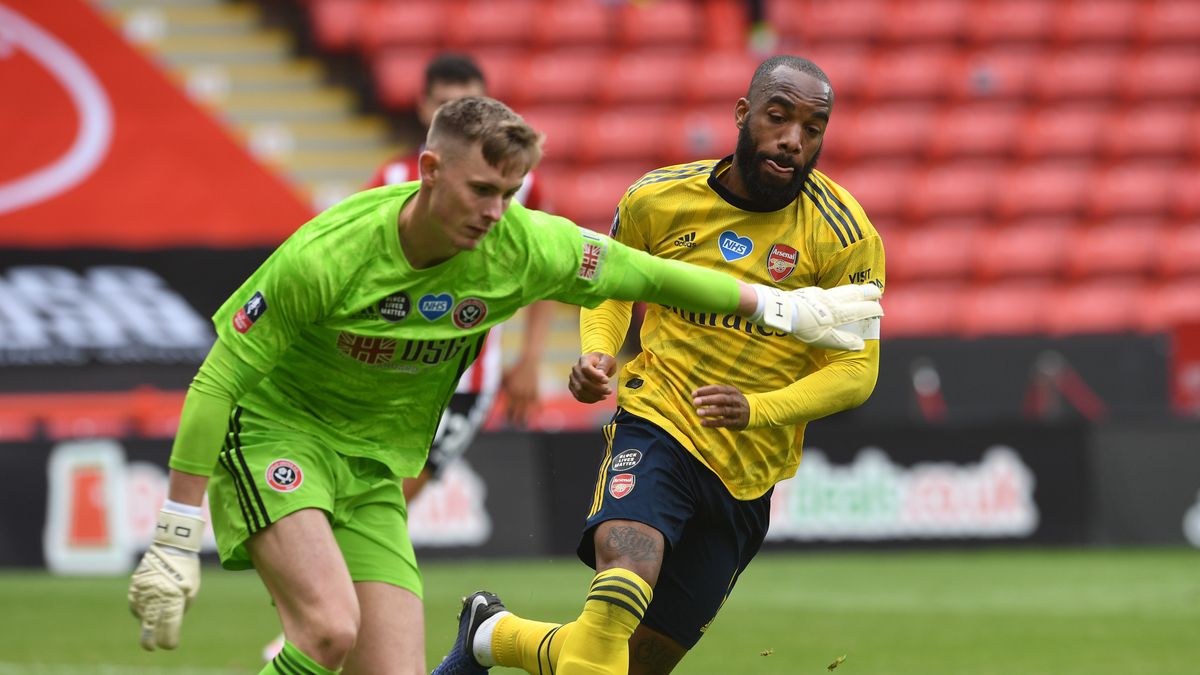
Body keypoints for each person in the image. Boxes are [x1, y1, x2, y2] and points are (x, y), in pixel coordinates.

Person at [125, 95, 882, 675]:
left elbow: (646, 273)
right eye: (482, 189)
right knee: (327, 630)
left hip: (373, 467)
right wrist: (172, 536)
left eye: (510, 193)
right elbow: (219, 377)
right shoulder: (330, 254)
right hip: (277, 433)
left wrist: (784, 307)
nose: (495, 213)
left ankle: (486, 638)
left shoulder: (521, 244)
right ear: (429, 171)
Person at [431, 55, 886, 675]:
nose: (793, 141)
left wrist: (758, 409)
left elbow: (857, 372)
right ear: (743, 114)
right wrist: (597, 349)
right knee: (624, 580)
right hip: (658, 423)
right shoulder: (659, 199)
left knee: (635, 664)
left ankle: (492, 636)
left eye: (813, 128)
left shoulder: (845, 237)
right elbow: (613, 286)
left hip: (747, 473)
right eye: (779, 118)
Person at [367, 52, 554, 501]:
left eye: (469, 105)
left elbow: (548, 268)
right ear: (422, 107)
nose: (458, 118)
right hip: (396, 367)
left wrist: (530, 357)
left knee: (390, 498)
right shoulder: (391, 179)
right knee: (370, 498)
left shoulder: (523, 185)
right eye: (445, 106)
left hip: (467, 377)